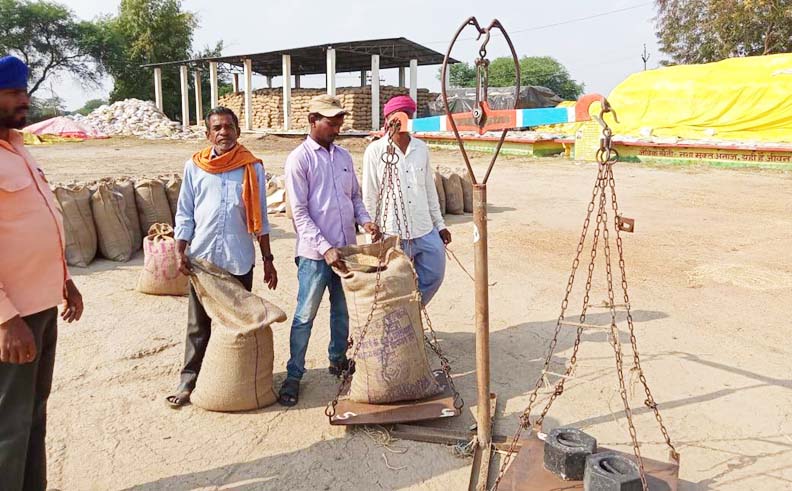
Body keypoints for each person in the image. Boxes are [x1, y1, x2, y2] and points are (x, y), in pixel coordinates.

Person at [0, 55, 84, 491]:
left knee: (34, 413)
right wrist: (6, 319)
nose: (24, 100)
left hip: (42, 306)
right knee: (8, 427)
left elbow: (41, 221)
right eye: (13, 93)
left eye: (23, 91)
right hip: (13, 319)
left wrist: (64, 281)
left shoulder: (19, 149)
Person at [166, 106, 277, 407]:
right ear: (208, 134)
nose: (223, 132)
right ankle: (188, 382)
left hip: (239, 259)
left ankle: (236, 386)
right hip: (202, 260)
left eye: (228, 127)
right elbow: (185, 212)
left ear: (238, 131)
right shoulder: (195, 166)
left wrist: (268, 259)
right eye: (217, 128)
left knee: (238, 327)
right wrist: (179, 250)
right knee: (197, 326)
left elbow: (261, 219)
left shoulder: (251, 167)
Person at [280, 95, 380, 406]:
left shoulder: (344, 157)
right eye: (330, 120)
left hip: (345, 251)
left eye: (339, 120)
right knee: (305, 315)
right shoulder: (299, 159)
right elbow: (299, 212)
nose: (337, 126)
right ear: (312, 120)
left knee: (341, 311)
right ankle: (294, 374)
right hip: (315, 255)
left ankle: (338, 359)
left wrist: (366, 222)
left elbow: (355, 199)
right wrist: (325, 249)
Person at [362, 95, 450, 305]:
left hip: (423, 227)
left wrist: (440, 225)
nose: (402, 119)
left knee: (435, 275)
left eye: (408, 115)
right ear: (388, 118)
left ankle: (413, 314)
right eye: (398, 115)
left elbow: (429, 190)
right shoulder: (375, 151)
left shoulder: (421, 148)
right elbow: (370, 194)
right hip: (392, 231)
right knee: (392, 285)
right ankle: (401, 327)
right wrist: (372, 234)